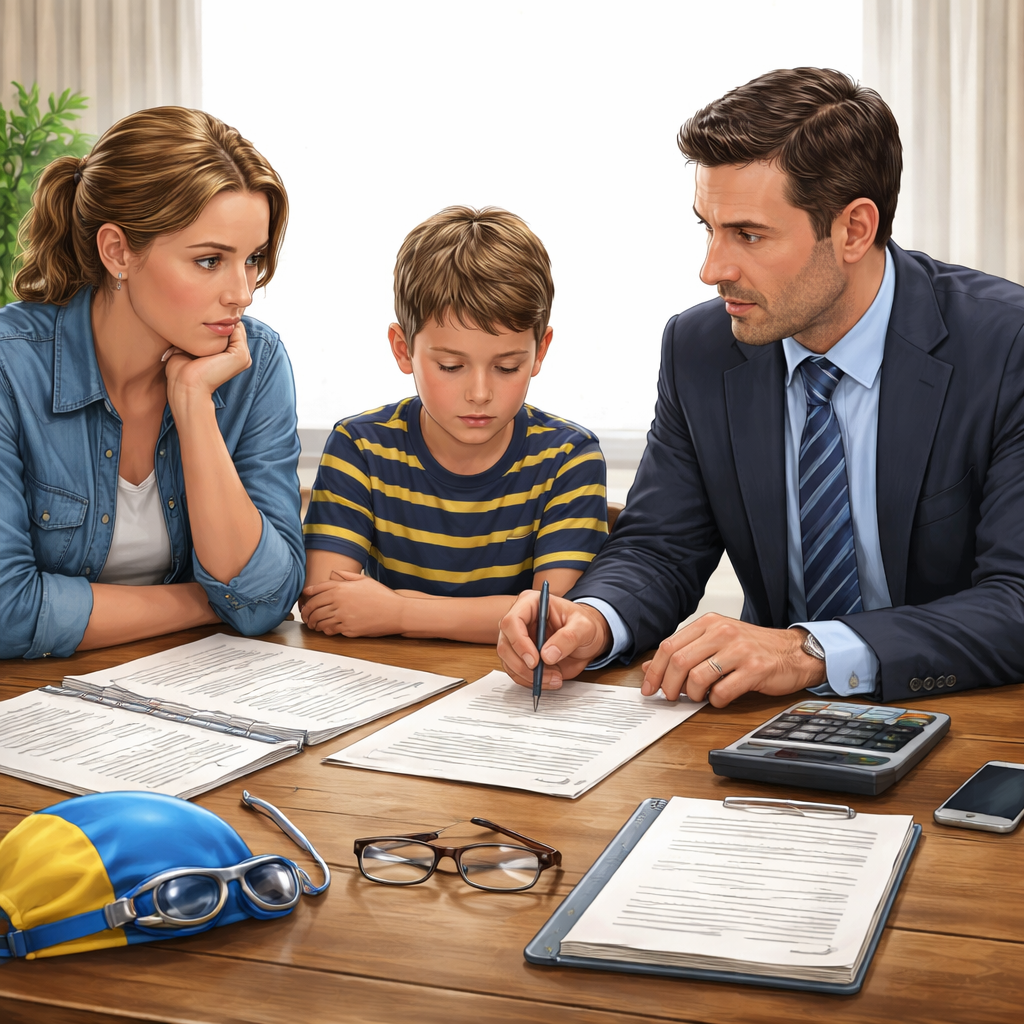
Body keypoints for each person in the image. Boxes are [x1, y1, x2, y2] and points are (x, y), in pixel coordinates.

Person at [497, 67, 1024, 706]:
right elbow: (661, 547)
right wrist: (596, 618)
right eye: (708, 228)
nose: (711, 269)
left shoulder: (1003, 347)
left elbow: (1015, 602)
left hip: (962, 714)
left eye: (748, 235)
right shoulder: (700, 348)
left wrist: (811, 650)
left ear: (854, 229)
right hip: (767, 726)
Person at [0, 107, 304, 659]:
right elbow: (6, 613)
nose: (242, 292)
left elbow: (263, 603)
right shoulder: (9, 369)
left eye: (252, 259)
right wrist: (206, 602)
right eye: (210, 260)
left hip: (191, 698)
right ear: (118, 251)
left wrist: (192, 404)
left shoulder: (254, 364)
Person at [300, 206, 608, 643]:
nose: (479, 393)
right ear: (403, 349)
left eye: (506, 367)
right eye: (450, 366)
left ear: (540, 351)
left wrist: (398, 612)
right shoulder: (360, 448)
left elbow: (552, 622)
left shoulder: (568, 458)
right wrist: (498, 614)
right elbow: (325, 603)